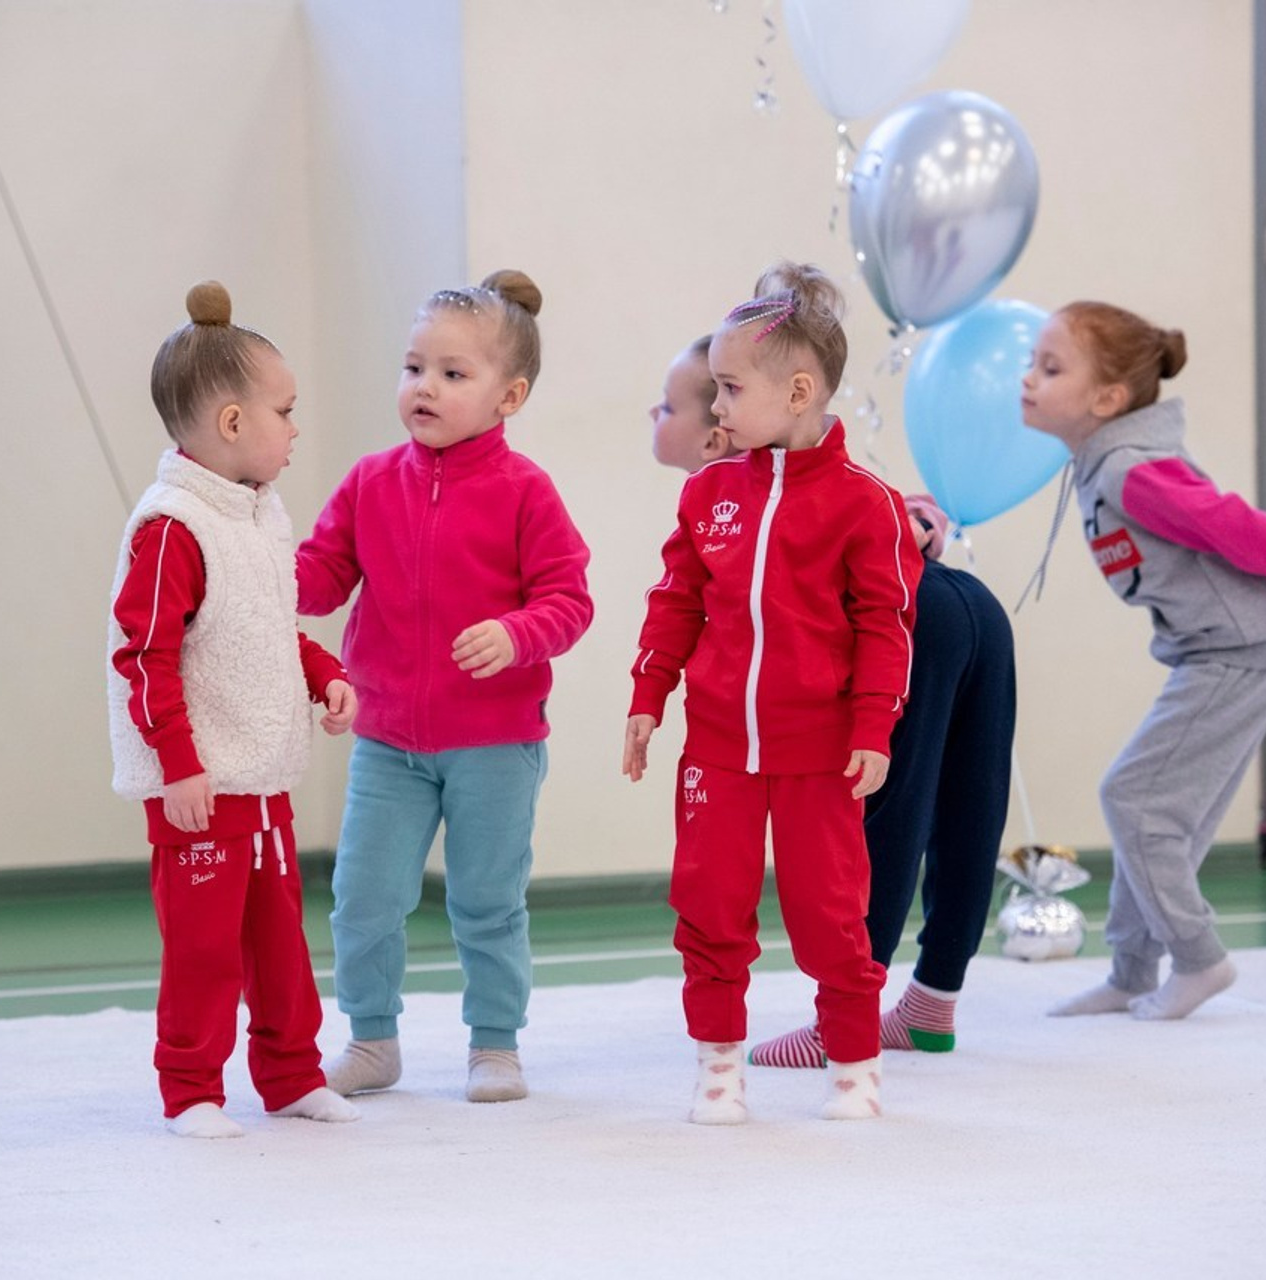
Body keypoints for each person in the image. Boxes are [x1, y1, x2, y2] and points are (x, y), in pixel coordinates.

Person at [649, 336, 1017, 1067]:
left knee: (878, 816)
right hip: (972, 609)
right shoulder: (799, 480)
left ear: (717, 435)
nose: (654, 416)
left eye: (666, 407)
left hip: (918, 626)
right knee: (968, 802)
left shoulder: (757, 488)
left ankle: (844, 1017)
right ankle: (933, 1001)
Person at [623, 261, 922, 1124]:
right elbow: (676, 601)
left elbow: (886, 628)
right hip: (717, 749)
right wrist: (648, 697)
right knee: (708, 908)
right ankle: (718, 1067)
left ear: (798, 392)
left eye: (728, 388)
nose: (714, 406)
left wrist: (873, 728)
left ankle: (855, 1066)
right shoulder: (710, 493)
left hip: (820, 756)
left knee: (831, 916)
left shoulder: (866, 505)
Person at [296, 270, 593, 1103]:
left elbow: (570, 601)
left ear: (509, 396)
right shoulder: (370, 481)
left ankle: (495, 1044)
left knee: (487, 902)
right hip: (388, 739)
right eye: (414, 367)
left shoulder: (526, 491)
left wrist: (516, 634)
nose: (425, 386)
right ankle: (372, 1039)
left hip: (496, 744)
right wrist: (264, 571)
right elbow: (322, 575)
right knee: (363, 897)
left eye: (453, 373)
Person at [108, 282, 360, 1139]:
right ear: (230, 422)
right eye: (285, 412)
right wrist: (179, 765)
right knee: (205, 952)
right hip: (201, 788)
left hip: (262, 785)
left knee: (281, 948)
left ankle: (291, 1075)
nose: (295, 429)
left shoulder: (257, 517)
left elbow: (263, 631)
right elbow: (145, 657)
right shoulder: (173, 528)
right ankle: (191, 1090)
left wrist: (323, 673)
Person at [1022, 300, 1261, 1020]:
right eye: (1032, 363)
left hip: (1237, 652)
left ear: (1107, 400)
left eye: (1050, 368)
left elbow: (1236, 527)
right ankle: (1131, 973)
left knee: (1136, 800)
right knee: (1157, 811)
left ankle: (1199, 959)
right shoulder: (1104, 467)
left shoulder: (1132, 471)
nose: (1028, 378)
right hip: (1214, 652)